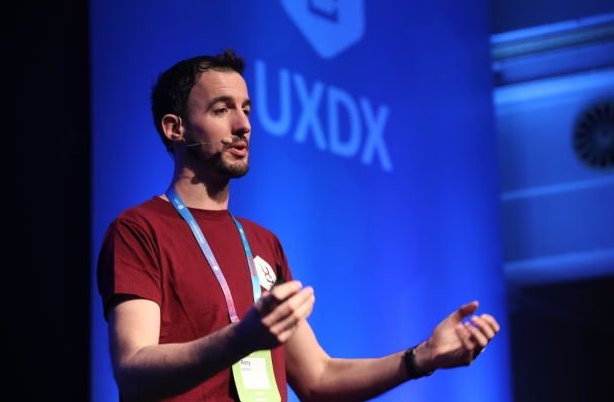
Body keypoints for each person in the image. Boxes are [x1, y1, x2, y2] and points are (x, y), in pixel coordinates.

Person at [96, 48, 500, 402]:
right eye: (222, 109)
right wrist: (243, 338)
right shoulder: (139, 230)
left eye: (246, 109)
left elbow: (318, 378)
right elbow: (132, 370)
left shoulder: (262, 242)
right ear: (175, 128)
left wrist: (421, 357)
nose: (243, 125)